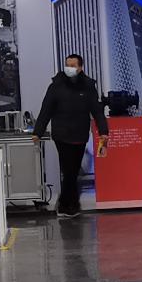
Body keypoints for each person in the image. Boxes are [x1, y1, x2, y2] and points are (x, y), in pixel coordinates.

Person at [32, 53, 109, 215]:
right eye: (67, 65)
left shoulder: (88, 87)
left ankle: (68, 203)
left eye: (73, 65)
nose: (69, 68)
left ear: (80, 67)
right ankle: (69, 205)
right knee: (68, 170)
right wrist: (38, 131)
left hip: (80, 135)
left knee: (73, 171)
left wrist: (103, 131)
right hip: (62, 135)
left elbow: (97, 111)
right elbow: (46, 110)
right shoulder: (56, 86)